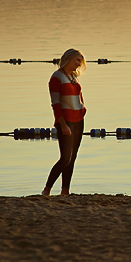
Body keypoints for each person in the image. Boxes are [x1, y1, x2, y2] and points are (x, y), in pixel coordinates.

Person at [42, 49, 87, 197]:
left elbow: (77, 97)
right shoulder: (57, 77)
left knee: (72, 158)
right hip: (66, 121)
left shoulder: (73, 76)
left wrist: (83, 109)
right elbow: (56, 104)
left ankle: (65, 191)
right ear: (68, 59)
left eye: (80, 61)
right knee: (65, 158)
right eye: (77, 60)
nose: (79, 64)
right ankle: (47, 189)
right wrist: (62, 124)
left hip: (78, 120)